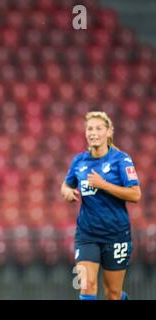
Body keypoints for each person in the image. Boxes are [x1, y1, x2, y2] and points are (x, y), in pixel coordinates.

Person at [60, 111, 141, 300]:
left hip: (116, 233)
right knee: (87, 287)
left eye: (98, 128)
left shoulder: (121, 160)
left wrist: (103, 184)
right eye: (90, 128)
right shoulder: (79, 161)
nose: (93, 132)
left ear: (108, 132)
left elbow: (135, 194)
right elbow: (66, 183)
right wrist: (66, 191)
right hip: (87, 234)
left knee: (112, 293)